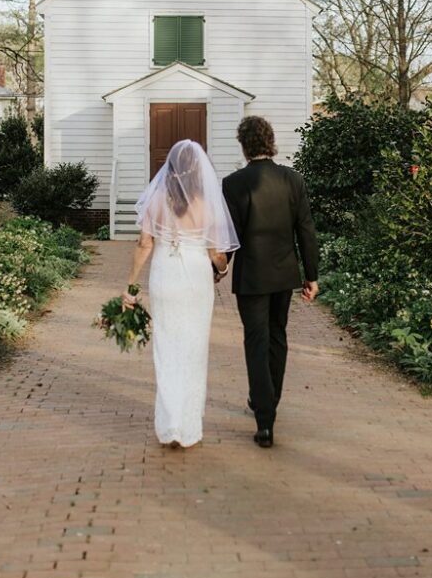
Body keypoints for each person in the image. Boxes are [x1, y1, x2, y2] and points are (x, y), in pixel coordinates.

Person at [121, 140, 239, 448]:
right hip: (196, 280)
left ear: (169, 167)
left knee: (166, 348)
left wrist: (130, 286)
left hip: (165, 275)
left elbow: (144, 245)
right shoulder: (206, 203)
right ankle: (188, 428)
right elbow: (217, 255)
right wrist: (222, 269)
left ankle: (169, 424)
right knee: (194, 350)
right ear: (199, 169)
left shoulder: (156, 199)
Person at [222, 116, 319, 449]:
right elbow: (306, 230)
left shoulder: (234, 183)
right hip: (283, 275)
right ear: (271, 142)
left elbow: (229, 237)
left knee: (256, 341)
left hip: (251, 276)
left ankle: (265, 420)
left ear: (244, 145)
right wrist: (312, 275)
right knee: (277, 336)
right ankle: (269, 400)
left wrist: (218, 268)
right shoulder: (293, 179)